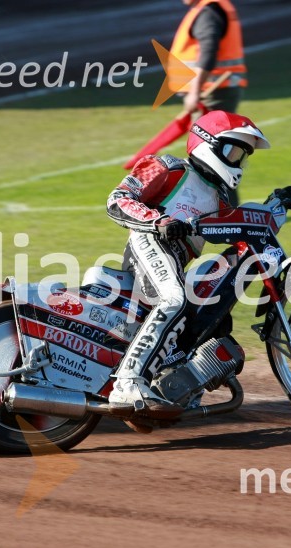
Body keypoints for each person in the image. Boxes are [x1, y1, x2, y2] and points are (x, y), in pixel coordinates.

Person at [105, 111, 269, 422]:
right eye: (233, 152)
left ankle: (176, 386)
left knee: (215, 315)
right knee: (175, 300)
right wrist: (159, 221)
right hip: (148, 243)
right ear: (208, 144)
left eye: (242, 157)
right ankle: (127, 384)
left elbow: (239, 228)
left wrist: (275, 207)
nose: (238, 163)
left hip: (174, 265)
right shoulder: (168, 167)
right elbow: (118, 199)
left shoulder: (219, 199)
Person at [170, 0, 247, 116]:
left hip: (212, 91)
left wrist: (194, 92)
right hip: (214, 88)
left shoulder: (208, 11)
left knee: (207, 133)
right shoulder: (211, 7)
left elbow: (208, 52)